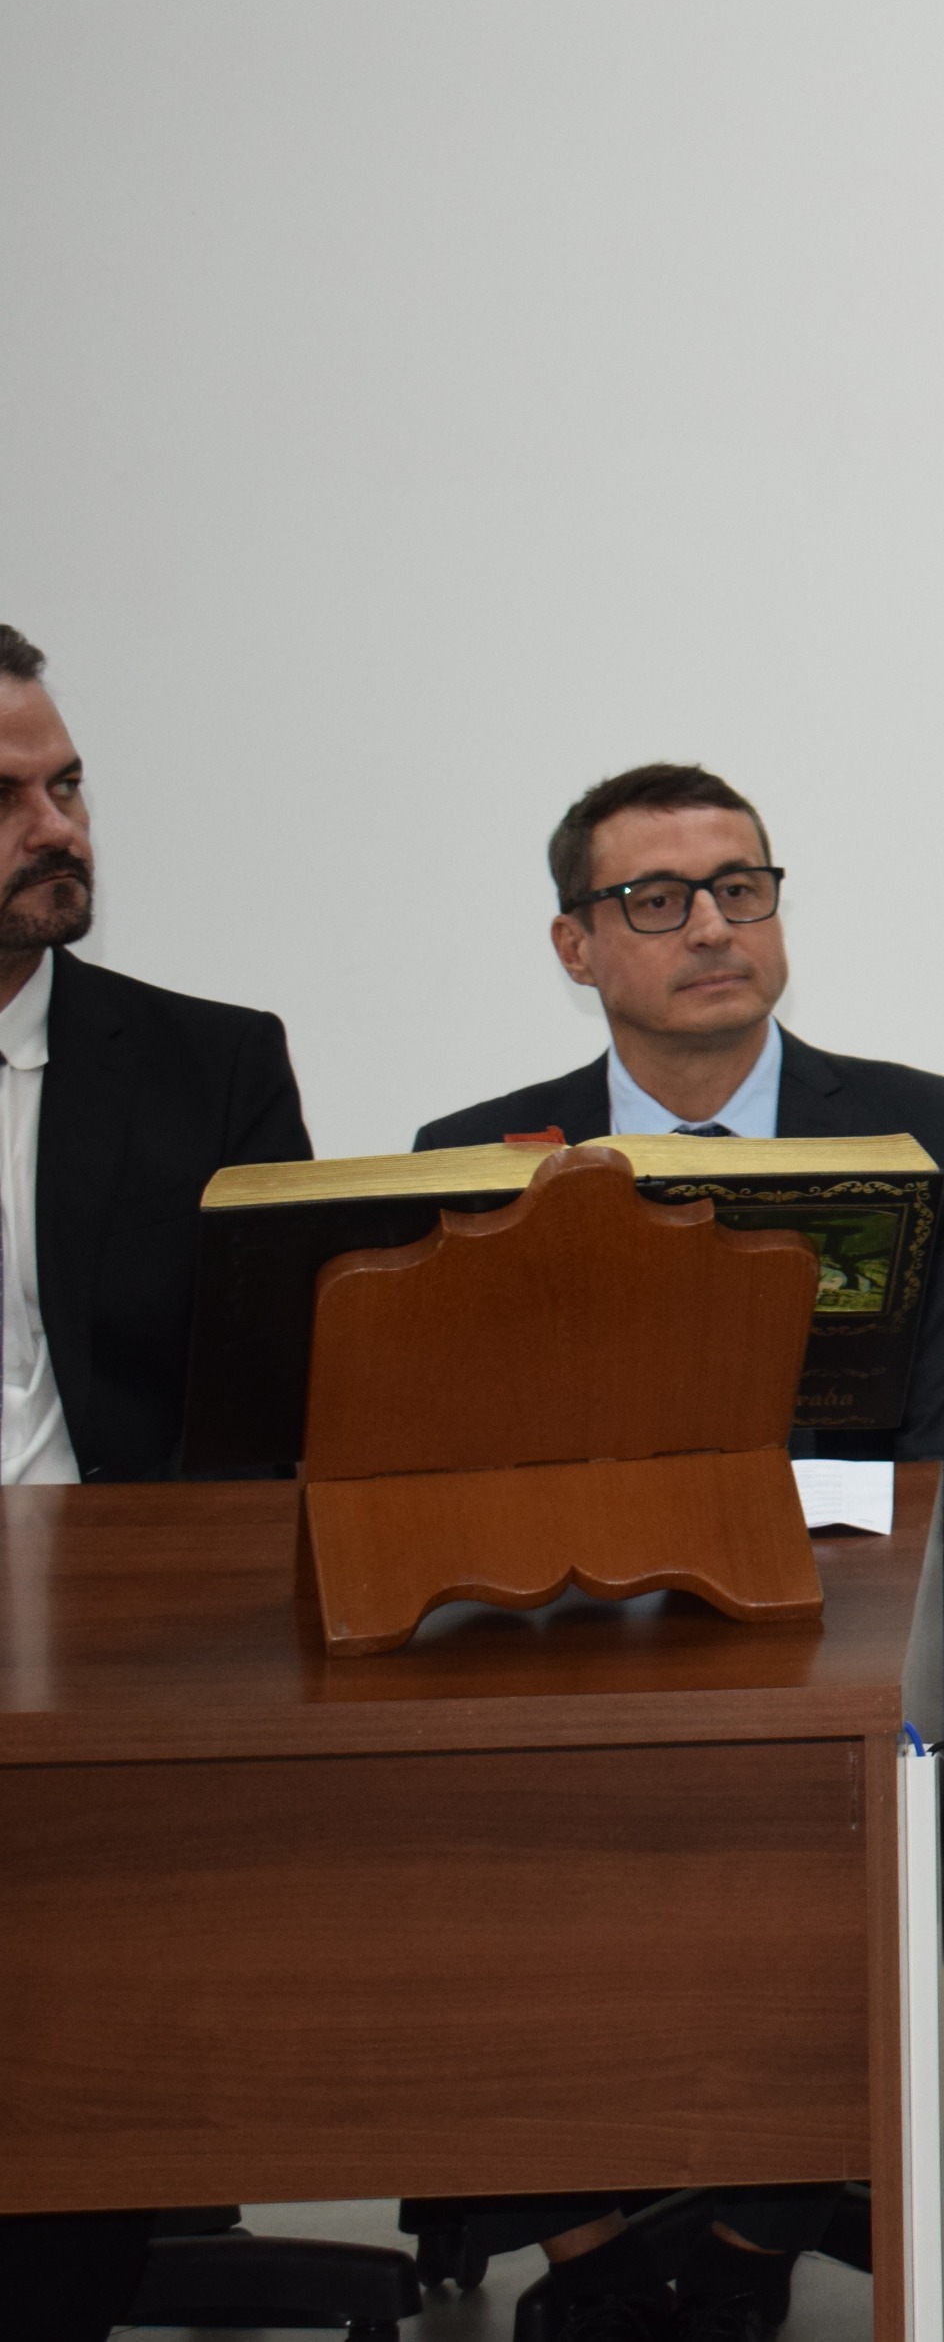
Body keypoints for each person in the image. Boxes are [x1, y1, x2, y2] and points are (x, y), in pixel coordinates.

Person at [413, 762, 944, 2342]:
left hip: (863, 1645)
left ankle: (742, 2245)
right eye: (657, 898)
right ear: (576, 945)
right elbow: (442, 1482)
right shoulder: (480, 1157)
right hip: (576, 1654)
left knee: (822, 1777)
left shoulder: (917, 1132)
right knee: (465, 1800)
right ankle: (585, 2235)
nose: (712, 925)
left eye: (742, 887)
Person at [0, 625, 312, 2340]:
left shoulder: (208, 1067)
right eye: (9, 798)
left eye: (69, 785)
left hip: (131, 1659)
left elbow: (275, 1415)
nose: (60, 829)